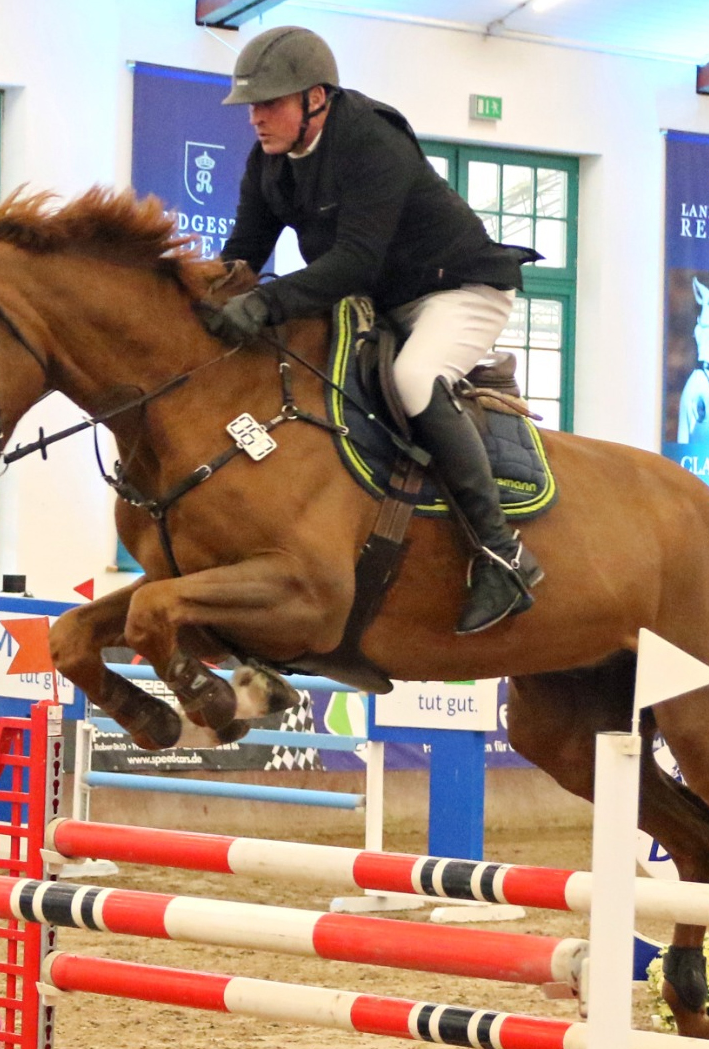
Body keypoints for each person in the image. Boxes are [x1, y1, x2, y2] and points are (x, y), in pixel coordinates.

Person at [214, 26, 543, 635]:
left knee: (413, 378)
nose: (256, 118)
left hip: (459, 290)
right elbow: (244, 253)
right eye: (252, 106)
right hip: (383, 302)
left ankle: (502, 555)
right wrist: (205, 298)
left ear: (315, 98)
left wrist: (267, 303)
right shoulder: (269, 161)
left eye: (269, 103)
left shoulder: (370, 139)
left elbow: (356, 262)